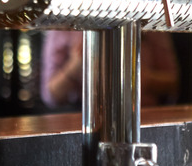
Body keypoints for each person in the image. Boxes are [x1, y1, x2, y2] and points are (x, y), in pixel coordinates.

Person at [40, 30, 180, 108]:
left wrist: (142, 78)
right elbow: (50, 95)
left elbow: (173, 83)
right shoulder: (63, 24)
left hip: (141, 115)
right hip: (83, 118)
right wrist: (75, 66)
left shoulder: (147, 17)